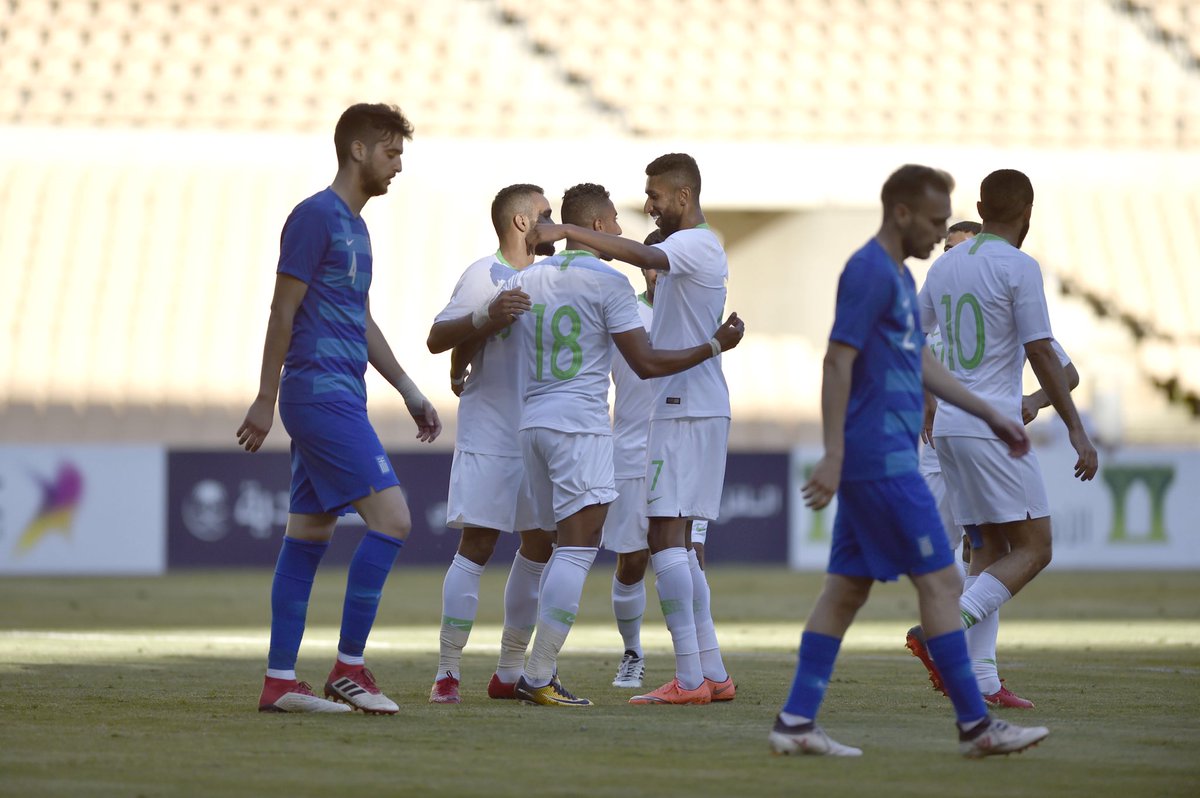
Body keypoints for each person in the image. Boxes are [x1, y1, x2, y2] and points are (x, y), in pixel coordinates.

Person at [769, 164, 1049, 758]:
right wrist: (834, 453)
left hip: (886, 453)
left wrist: (992, 411)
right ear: (901, 213)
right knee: (945, 582)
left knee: (844, 592)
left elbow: (918, 361)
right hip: (881, 460)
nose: (942, 232)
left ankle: (794, 723)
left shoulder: (899, 276)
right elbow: (836, 361)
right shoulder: (870, 271)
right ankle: (977, 726)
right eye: (935, 220)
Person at [237, 103, 442, 714]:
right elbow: (282, 310)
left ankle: (279, 681)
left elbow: (359, 318)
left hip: (341, 392)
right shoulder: (313, 217)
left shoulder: (356, 227)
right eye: (391, 153)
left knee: (308, 535)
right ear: (358, 151)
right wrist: (265, 396)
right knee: (395, 520)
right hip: (318, 394)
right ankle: (348, 668)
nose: (398, 166)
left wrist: (406, 386)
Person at [506, 182, 744, 706]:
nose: (620, 229)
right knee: (582, 549)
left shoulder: (528, 278)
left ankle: (513, 667)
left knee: (544, 550)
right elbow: (647, 364)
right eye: (614, 220)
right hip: (584, 427)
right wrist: (713, 344)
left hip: (533, 422)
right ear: (596, 227)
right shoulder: (611, 284)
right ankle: (539, 673)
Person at [907, 169, 1098, 709]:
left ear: (980, 206)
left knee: (987, 549)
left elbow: (908, 339)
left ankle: (981, 676)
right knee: (1036, 547)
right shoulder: (1019, 266)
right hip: (993, 429)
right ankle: (943, 632)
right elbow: (1041, 350)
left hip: (948, 430)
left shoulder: (944, 267)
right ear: (1027, 213)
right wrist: (1076, 428)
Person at [423, 184, 558, 704]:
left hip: (542, 432)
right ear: (523, 223)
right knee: (477, 544)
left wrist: (466, 355)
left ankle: (508, 670)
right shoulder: (484, 274)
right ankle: (448, 672)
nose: (554, 223)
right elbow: (437, 337)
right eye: (547, 215)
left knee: (539, 546)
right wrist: (484, 318)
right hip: (491, 428)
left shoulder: (554, 277)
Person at [604, 230, 662, 689]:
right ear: (645, 267)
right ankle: (633, 652)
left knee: (688, 556)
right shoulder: (626, 311)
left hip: (681, 449)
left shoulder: (700, 313)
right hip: (628, 450)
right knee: (631, 562)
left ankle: (698, 661)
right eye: (658, 263)